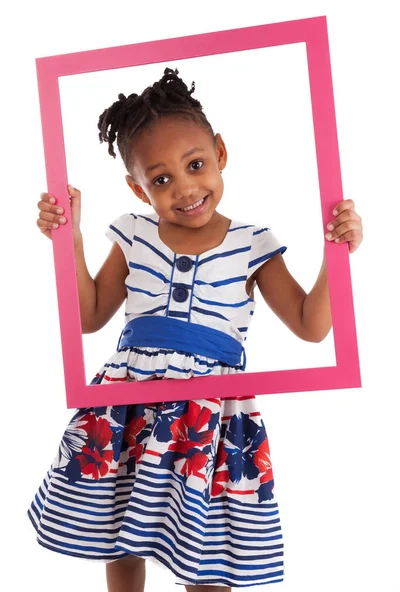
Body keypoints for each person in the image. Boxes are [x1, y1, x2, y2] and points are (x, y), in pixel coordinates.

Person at [30, 68, 363, 592]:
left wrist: (335, 254)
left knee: (207, 549)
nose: (185, 188)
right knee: (120, 529)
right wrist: (68, 238)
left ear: (221, 153)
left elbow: (310, 326)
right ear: (137, 188)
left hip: (210, 414)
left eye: (196, 165)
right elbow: (89, 315)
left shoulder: (254, 243)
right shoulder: (135, 234)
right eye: (160, 179)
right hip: (130, 400)